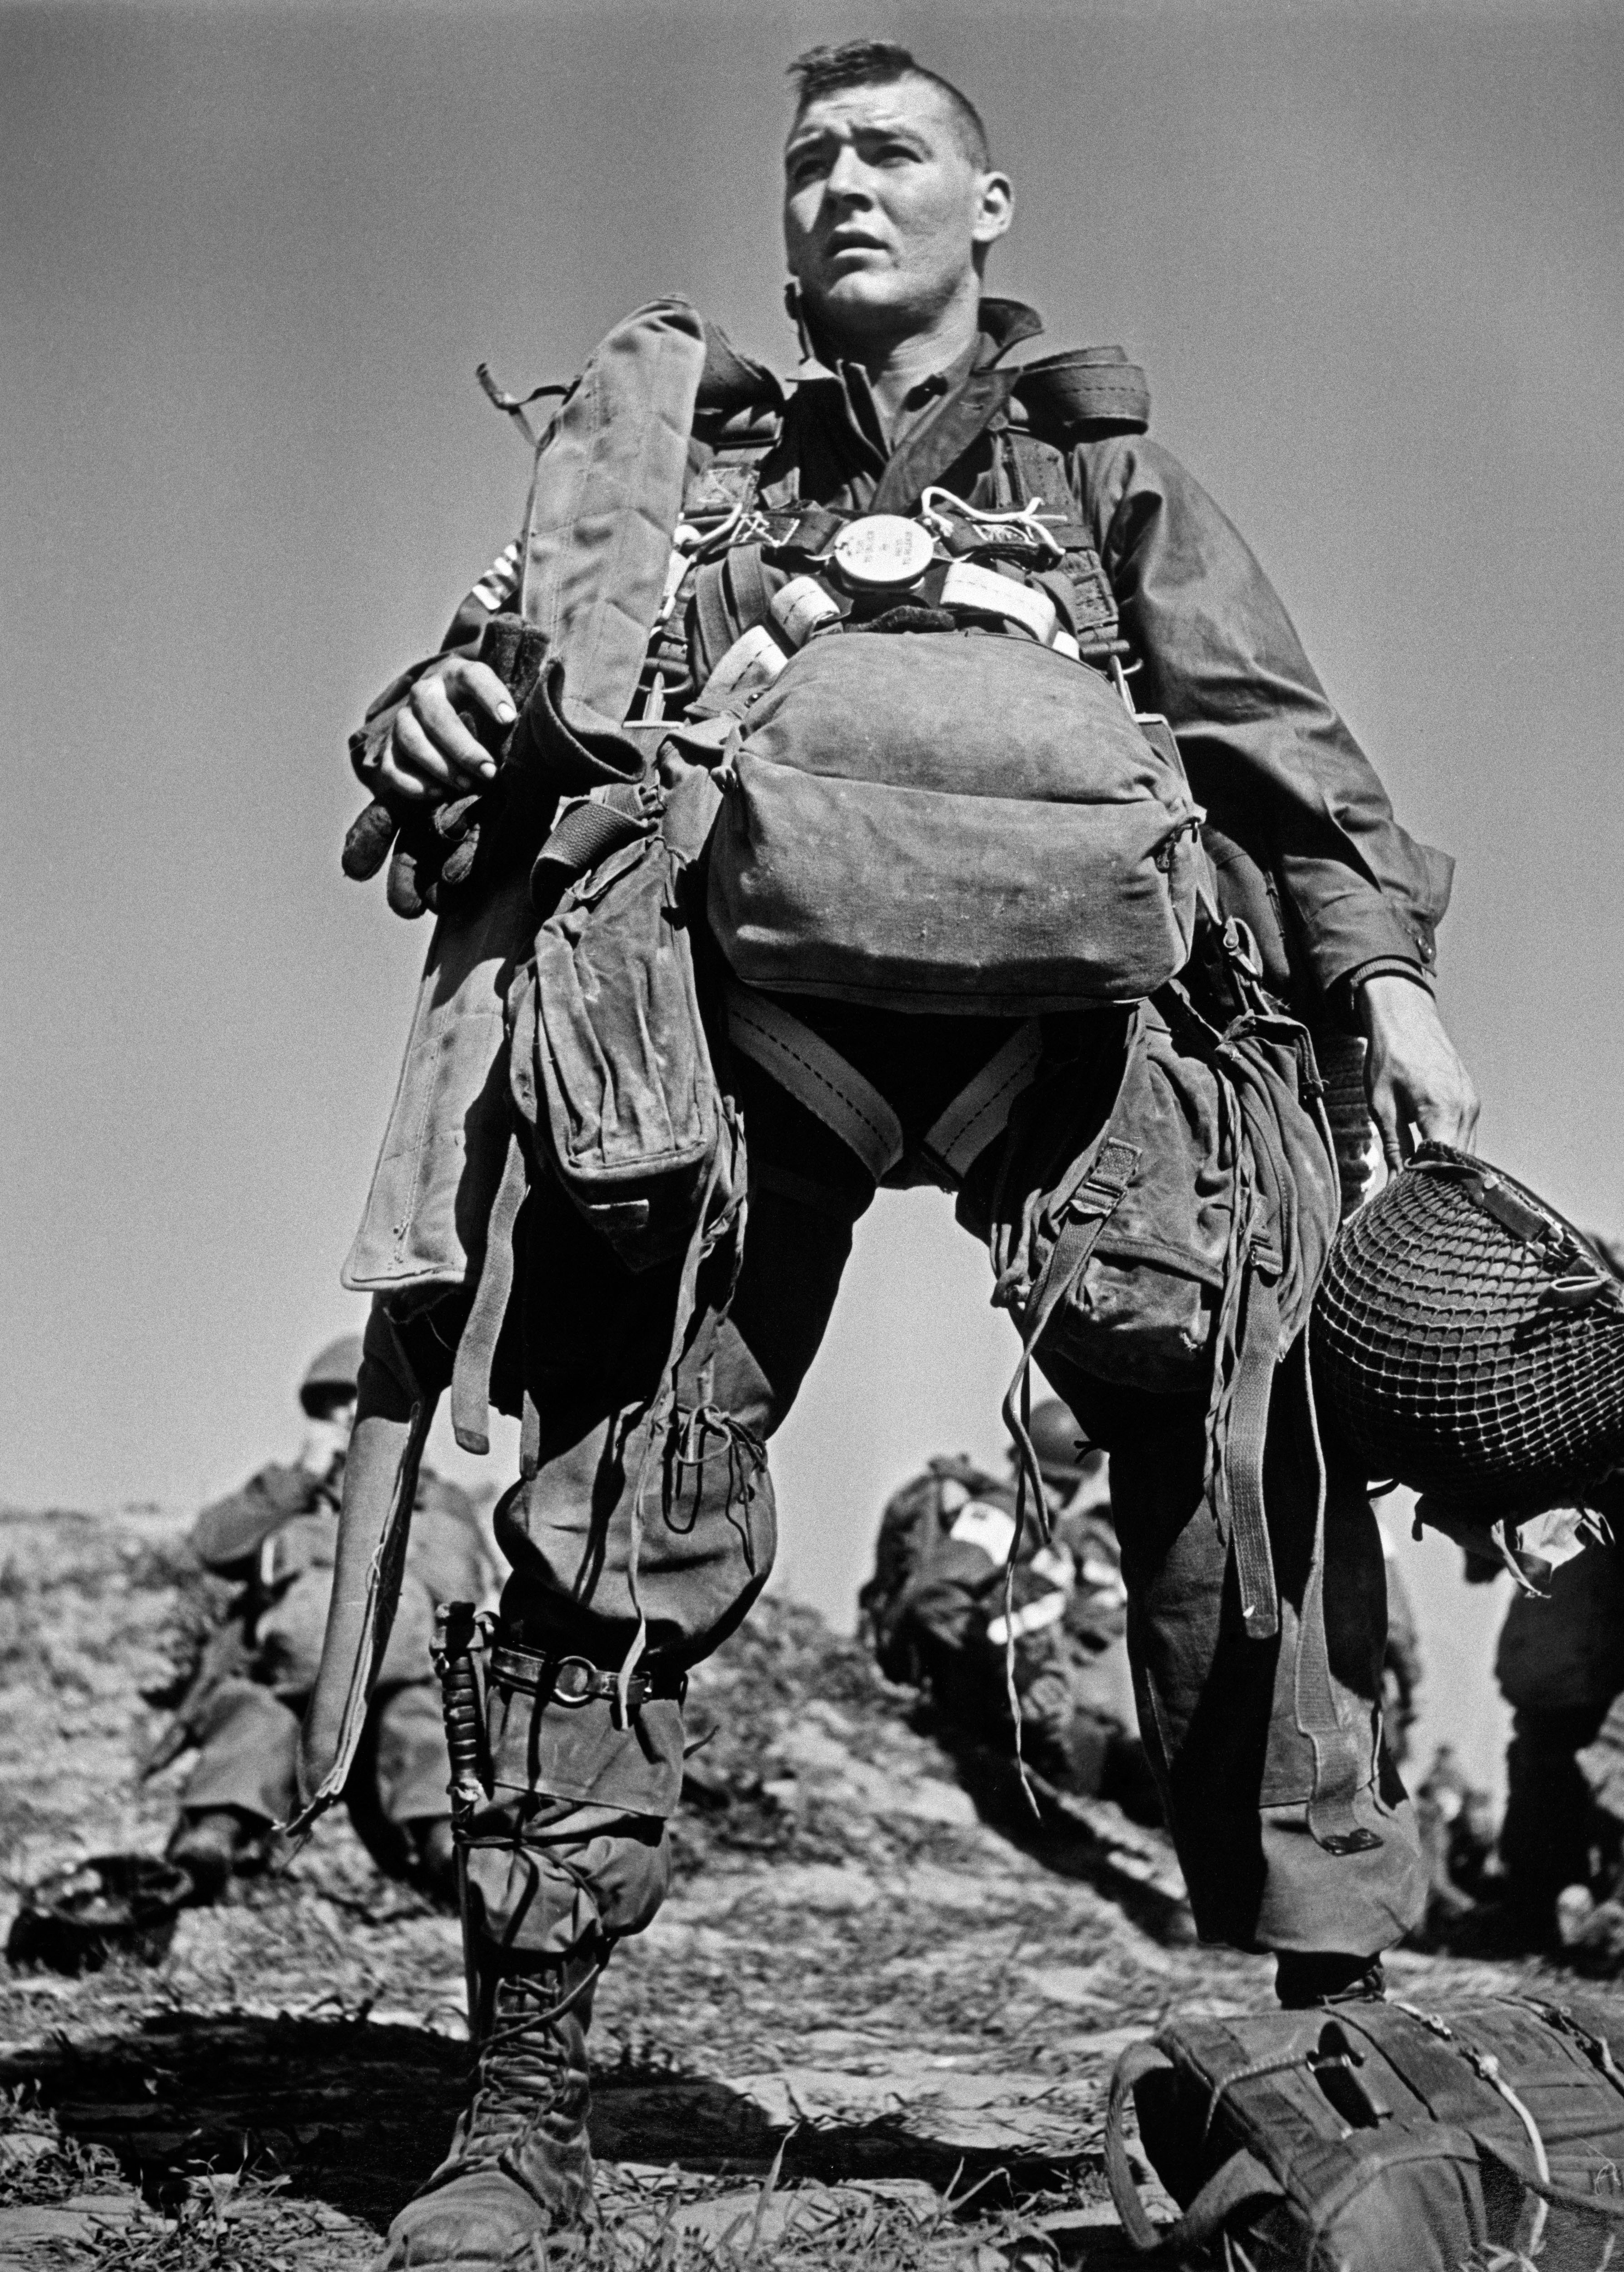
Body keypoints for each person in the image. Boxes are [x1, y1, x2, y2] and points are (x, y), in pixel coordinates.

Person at [322, 40, 1480, 2265]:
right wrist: (446, 711)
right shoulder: (683, 475)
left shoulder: (1095, 472)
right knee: (607, 1487)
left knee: (1247, 1457)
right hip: (739, 1035)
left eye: (889, 152)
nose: (841, 186)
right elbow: (512, 683)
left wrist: (1379, 985)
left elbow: (1263, 730)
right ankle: (524, 2103)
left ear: (988, 205)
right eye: (809, 159)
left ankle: (1346, 2065)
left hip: (1085, 1025)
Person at [159, 1336, 493, 1903]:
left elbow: (466, 1581)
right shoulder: (287, 1496)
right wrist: (299, 1480)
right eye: (334, 1404)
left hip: (406, 1680)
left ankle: (449, 1853)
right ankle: (208, 1849)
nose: (348, 1415)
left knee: (425, 1729)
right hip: (294, 1685)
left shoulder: (437, 1497)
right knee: (254, 1721)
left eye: (362, 1398)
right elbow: (213, 1545)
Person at [1488, 1241, 1624, 1950]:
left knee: (1592, 1739)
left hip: (1610, 1567)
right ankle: (1560, 1905)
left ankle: (1590, 1907)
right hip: (1599, 1569)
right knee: (1570, 1735)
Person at [862, 1398, 1159, 1816]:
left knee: (1125, 1765)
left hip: (977, 1691)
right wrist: (1019, 1677)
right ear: (1078, 1482)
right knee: (1130, 1772)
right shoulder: (1006, 1516)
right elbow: (935, 1600)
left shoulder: (1015, 1515)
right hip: (971, 1697)